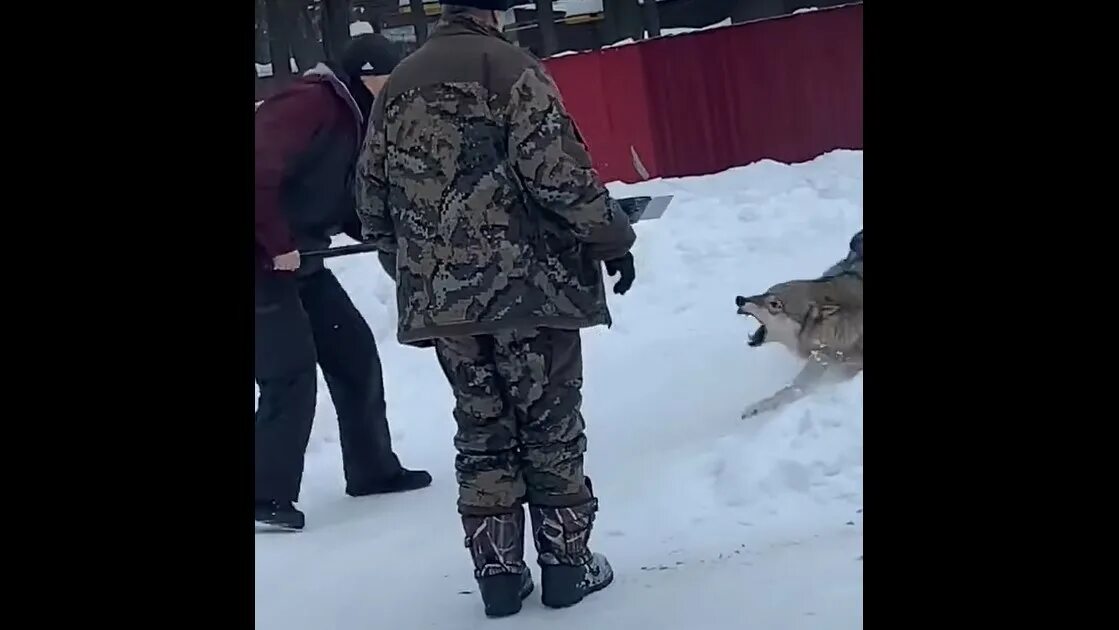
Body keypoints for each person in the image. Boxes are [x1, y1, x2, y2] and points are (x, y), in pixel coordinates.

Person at [354, 1, 636, 617]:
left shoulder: (397, 83)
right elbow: (560, 178)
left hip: (448, 308)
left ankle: (498, 579)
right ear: (494, 13)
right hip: (531, 296)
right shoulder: (510, 68)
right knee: (550, 428)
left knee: (482, 432)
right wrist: (614, 240)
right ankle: (568, 566)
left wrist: (420, 270)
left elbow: (371, 205)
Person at [254, 34, 431, 532]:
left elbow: (340, 200)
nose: (395, 88)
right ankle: (264, 494)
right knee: (288, 372)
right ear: (366, 74)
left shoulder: (357, 118)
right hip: (263, 262)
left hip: (298, 261)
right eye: (389, 77)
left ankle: (372, 469)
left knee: (353, 353)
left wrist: (391, 234)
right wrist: (275, 241)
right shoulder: (310, 103)